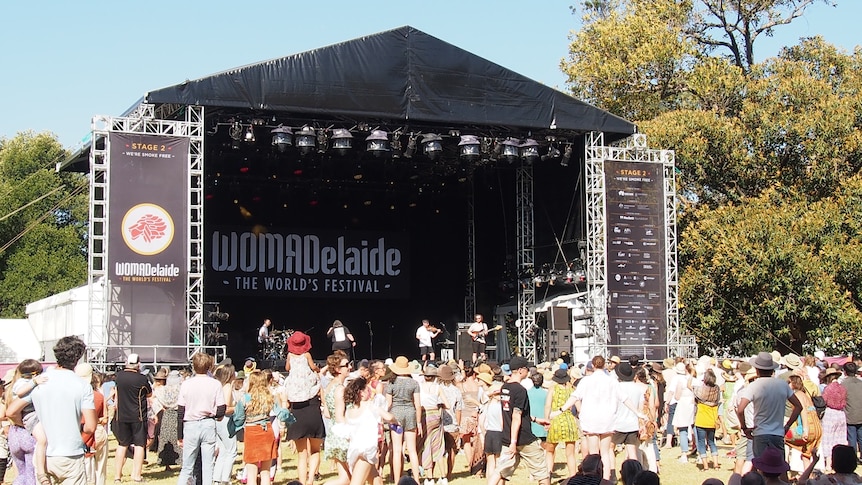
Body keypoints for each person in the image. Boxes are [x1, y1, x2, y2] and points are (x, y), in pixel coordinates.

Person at [9, 336, 97, 485]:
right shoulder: (81, 385)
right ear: (78, 358)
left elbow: (11, 412)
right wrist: (79, 428)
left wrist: (31, 428)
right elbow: (90, 426)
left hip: (43, 456)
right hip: (71, 454)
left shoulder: (40, 381)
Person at [486, 356, 551, 485]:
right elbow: (516, 416)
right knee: (542, 474)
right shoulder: (520, 390)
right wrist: (514, 442)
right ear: (521, 370)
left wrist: (536, 420)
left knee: (500, 471)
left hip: (507, 436)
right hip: (523, 438)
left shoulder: (505, 387)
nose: (528, 371)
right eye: (527, 368)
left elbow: (514, 413)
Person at [736, 352, 803, 458]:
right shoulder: (782, 385)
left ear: (757, 370)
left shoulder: (754, 386)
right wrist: (787, 426)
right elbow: (799, 406)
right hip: (778, 433)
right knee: (779, 467)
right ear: (772, 370)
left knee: (761, 466)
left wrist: (744, 427)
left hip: (760, 433)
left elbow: (740, 410)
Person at [176, 352, 226, 485]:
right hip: (208, 423)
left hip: (190, 425)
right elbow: (221, 409)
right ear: (209, 366)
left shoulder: (186, 384)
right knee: (208, 466)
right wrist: (216, 416)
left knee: (187, 466)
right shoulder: (215, 384)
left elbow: (180, 411)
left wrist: (179, 435)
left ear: (193, 366)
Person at [282, 331, 324, 485]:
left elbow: (287, 367)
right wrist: (317, 370)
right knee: (315, 450)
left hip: (297, 408)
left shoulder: (290, 356)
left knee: (301, 454)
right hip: (311, 406)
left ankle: (301, 481)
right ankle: (311, 479)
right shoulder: (307, 355)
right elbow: (313, 367)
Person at [343, 377, 400, 485]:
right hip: (365, 452)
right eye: (366, 389)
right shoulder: (370, 407)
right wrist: (396, 422)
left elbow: (347, 434)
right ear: (361, 393)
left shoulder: (349, 412)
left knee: (376, 479)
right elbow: (388, 417)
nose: (369, 391)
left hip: (353, 451)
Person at [234, 370, 279, 485]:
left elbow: (238, 418)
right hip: (267, 430)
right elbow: (281, 412)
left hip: (251, 432)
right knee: (266, 472)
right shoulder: (269, 397)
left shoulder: (245, 398)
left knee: (251, 473)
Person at [113, 354, 152, 483]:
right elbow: (149, 393)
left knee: (122, 445)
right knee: (139, 445)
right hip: (138, 416)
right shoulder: (141, 379)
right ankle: (136, 475)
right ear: (138, 364)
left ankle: (117, 476)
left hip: (122, 415)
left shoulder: (119, 377)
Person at [386, 356, 422, 482]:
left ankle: (397, 480)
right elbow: (418, 404)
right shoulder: (414, 383)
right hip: (410, 413)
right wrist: (418, 422)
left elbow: (388, 403)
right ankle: (417, 479)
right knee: (412, 449)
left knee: (397, 450)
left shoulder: (391, 383)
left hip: (395, 414)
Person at [544, 368, 578, 478]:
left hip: (556, 420)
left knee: (550, 450)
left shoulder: (552, 389)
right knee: (570, 453)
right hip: (569, 421)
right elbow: (578, 407)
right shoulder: (572, 390)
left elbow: (548, 405)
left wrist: (546, 419)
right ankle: (573, 476)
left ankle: (548, 473)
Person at [786, 374, 822, 472]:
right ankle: (808, 476)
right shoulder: (805, 394)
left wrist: (805, 430)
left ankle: (781, 469)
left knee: (779, 437)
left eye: (788, 383)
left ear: (793, 384)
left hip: (808, 429)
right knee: (806, 455)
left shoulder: (798, 395)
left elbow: (803, 412)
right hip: (817, 428)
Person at [213, 364, 237, 485]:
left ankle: (217, 478)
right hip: (226, 420)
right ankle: (225, 479)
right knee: (232, 451)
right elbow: (226, 407)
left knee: (222, 451)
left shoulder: (220, 386)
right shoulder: (227, 387)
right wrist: (238, 407)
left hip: (219, 421)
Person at [693, 368, 722, 470]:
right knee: (712, 441)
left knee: (701, 442)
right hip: (712, 419)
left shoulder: (701, 390)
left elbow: (691, 388)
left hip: (701, 419)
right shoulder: (717, 389)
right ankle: (716, 464)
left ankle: (705, 466)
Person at [821, 367, 848, 470]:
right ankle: (839, 461)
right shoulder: (843, 388)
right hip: (841, 413)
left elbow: (824, 400)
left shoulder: (828, 388)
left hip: (830, 413)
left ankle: (828, 463)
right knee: (840, 438)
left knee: (828, 438)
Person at [842, 362, 862, 462]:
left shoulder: (843, 384)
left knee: (852, 438)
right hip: (860, 414)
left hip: (849, 414)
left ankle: (853, 458)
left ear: (845, 372)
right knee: (861, 437)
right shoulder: (860, 383)